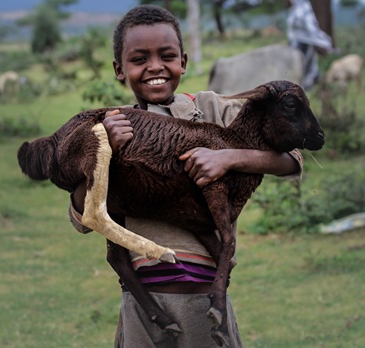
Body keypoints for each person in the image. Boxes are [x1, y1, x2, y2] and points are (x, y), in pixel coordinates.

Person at [69, 5, 303, 348]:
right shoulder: (111, 127)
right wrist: (104, 153)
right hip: (143, 305)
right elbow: (81, 216)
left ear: (184, 61)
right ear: (120, 70)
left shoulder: (212, 110)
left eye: (167, 55)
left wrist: (228, 158)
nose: (155, 67)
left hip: (207, 301)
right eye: (139, 59)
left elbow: (292, 160)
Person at [286, 0, 334, 90]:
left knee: (305, 66)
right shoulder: (296, 9)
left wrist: (321, 41)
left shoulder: (301, 10)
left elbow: (311, 28)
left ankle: (310, 86)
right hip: (298, 43)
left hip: (303, 44)